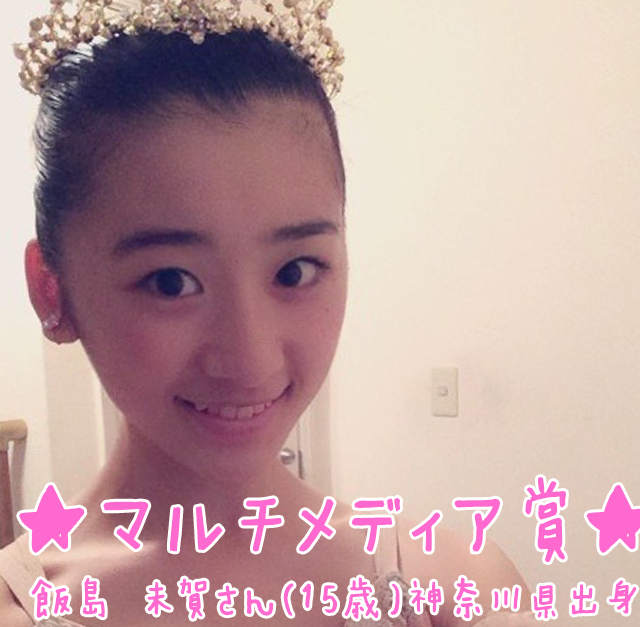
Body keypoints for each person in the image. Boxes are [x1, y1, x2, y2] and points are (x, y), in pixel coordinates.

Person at [0, 1, 537, 625]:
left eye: (295, 271)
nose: (250, 358)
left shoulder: (451, 585)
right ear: (52, 291)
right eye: (171, 282)